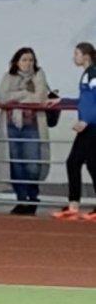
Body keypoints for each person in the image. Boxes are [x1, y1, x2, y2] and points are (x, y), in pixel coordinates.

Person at [0, 47, 51, 215]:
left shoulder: (39, 75)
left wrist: (17, 96)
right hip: (11, 126)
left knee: (33, 165)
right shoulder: (8, 77)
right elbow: (2, 97)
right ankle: (21, 199)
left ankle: (32, 198)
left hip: (32, 126)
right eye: (24, 59)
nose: (28, 63)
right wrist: (25, 94)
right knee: (16, 165)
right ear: (17, 62)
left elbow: (39, 98)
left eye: (31, 60)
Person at [50, 42, 96, 221]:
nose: (74, 57)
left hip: (91, 127)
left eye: (76, 54)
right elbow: (84, 101)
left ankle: (73, 205)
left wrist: (86, 120)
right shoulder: (87, 74)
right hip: (89, 126)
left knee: (74, 162)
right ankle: (73, 205)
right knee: (89, 164)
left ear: (86, 56)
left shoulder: (92, 74)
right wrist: (62, 101)